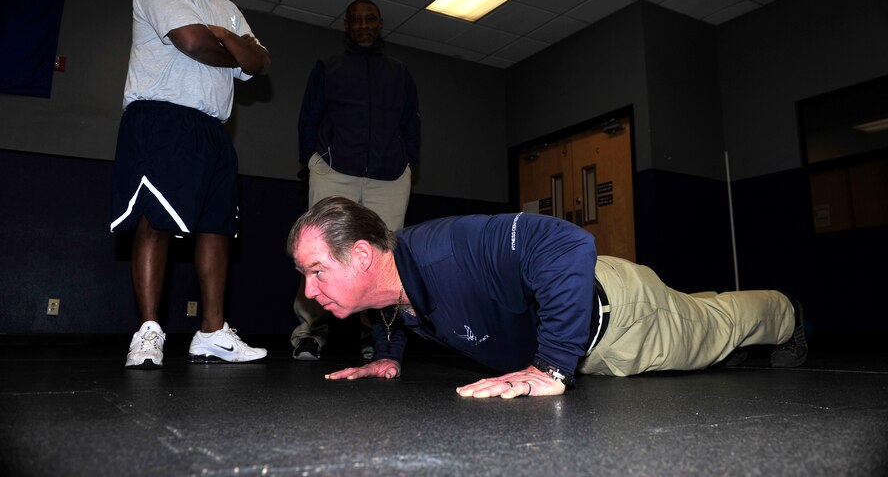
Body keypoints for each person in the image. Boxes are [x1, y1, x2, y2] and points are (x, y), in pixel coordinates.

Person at [287, 197, 808, 398]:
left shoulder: (453, 246)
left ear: (360, 255)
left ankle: (788, 312)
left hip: (622, 319)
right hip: (573, 342)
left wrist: (553, 369)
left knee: (715, 325)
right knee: (709, 330)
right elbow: (390, 310)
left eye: (316, 271)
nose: (309, 291)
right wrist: (386, 357)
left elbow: (567, 242)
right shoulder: (389, 278)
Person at [110, 0, 271, 368]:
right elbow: (189, 40)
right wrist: (224, 43)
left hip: (213, 130)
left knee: (217, 225)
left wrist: (220, 33)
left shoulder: (228, 9)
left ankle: (212, 332)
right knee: (156, 220)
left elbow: (259, 63)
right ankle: (148, 332)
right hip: (161, 118)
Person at [291, 0, 420, 362]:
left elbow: (411, 122)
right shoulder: (328, 67)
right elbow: (309, 118)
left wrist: (408, 161)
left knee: (385, 260)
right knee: (318, 255)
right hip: (335, 173)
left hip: (389, 178)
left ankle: (377, 337)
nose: (363, 25)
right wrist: (312, 160)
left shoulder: (399, 72)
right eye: (356, 20)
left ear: (380, 24)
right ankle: (309, 334)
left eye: (370, 19)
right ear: (347, 26)